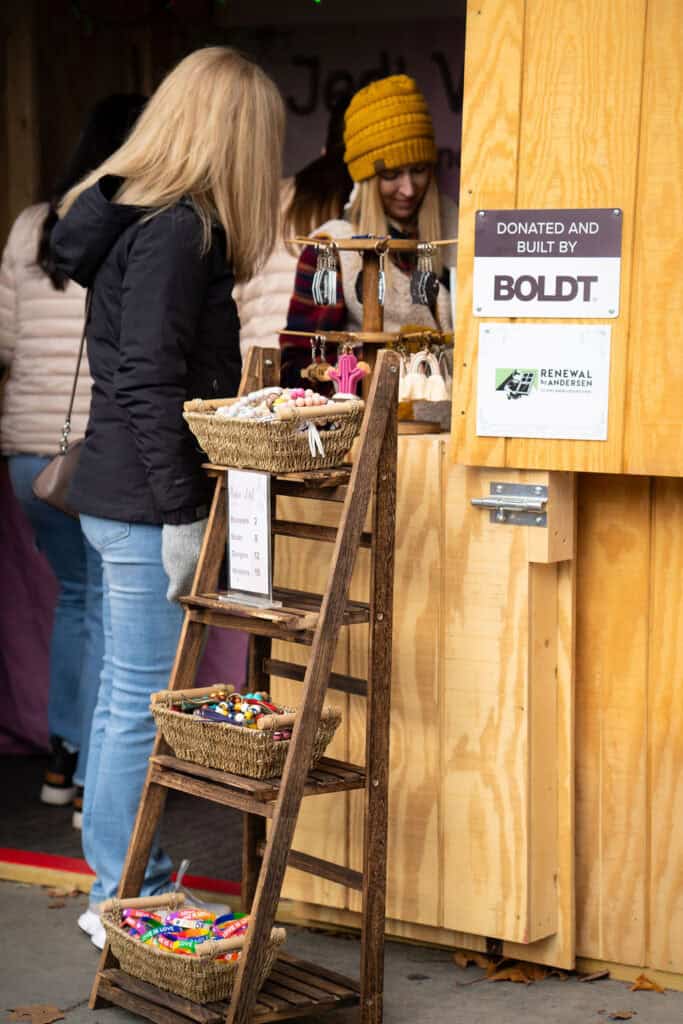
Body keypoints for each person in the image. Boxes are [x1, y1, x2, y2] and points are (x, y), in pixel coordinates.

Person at [51, 46, 285, 949]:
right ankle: (125, 895)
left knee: (128, 696)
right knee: (141, 701)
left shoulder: (139, 221)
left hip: (126, 491)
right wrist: (186, 510)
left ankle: (123, 886)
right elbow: (149, 379)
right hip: (145, 498)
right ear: (229, 134)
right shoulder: (178, 231)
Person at [0, 94, 147, 829]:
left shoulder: (32, 225)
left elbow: (3, 341)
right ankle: (97, 774)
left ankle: (61, 764)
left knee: (76, 601)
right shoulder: (132, 221)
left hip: (27, 457)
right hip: (92, 452)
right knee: (107, 607)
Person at [281, 74, 457, 382]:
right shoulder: (330, 251)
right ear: (366, 179)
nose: (408, 189)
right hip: (366, 427)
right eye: (391, 175)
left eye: (418, 171)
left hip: (451, 426)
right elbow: (301, 362)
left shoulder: (459, 240)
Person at [233, 92, 353, 359]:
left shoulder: (270, 199)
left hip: (251, 362)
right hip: (309, 374)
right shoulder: (359, 205)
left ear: (324, 148)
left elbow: (236, 294)